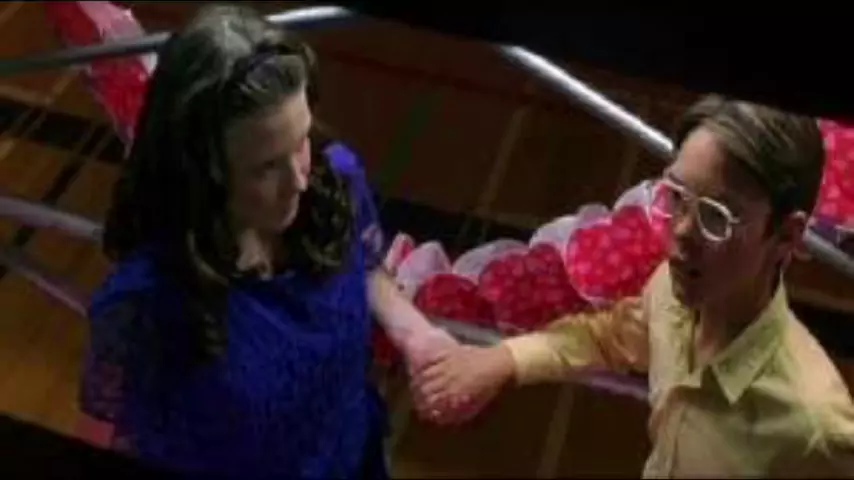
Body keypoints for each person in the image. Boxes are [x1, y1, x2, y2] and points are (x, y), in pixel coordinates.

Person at [76, 5, 458, 478]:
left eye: (301, 140)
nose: (300, 179)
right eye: (266, 167)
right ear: (203, 169)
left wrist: (414, 332)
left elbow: (358, 260)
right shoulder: (149, 300)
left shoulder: (334, 179)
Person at [412, 95, 854, 477]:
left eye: (716, 217)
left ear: (788, 236)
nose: (679, 235)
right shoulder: (671, 293)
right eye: (677, 196)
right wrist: (503, 360)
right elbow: (609, 336)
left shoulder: (816, 427)